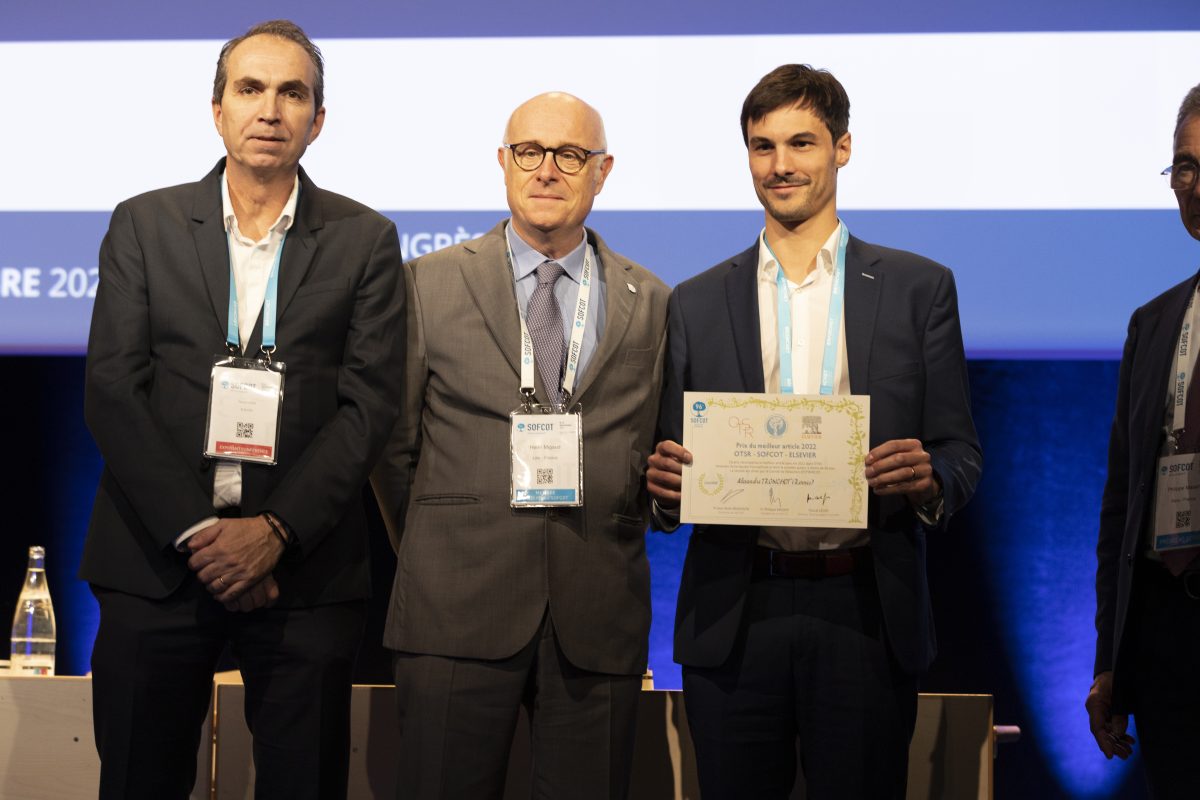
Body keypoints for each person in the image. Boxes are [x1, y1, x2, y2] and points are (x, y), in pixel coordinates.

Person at [80, 20, 405, 799]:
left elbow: (368, 406)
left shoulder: (365, 239)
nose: (270, 109)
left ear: (316, 121)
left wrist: (274, 533)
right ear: (217, 110)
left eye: (292, 93)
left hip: (303, 573)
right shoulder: (143, 224)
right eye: (250, 89)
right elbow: (113, 390)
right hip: (157, 562)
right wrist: (202, 536)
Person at [646, 64, 982, 798]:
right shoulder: (694, 301)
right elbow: (666, 465)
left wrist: (929, 478)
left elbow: (960, 451)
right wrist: (663, 487)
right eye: (762, 146)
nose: (781, 165)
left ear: (843, 148)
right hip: (735, 611)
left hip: (864, 607)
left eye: (802, 143)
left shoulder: (918, 288)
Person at [370, 92, 669, 799]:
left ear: (603, 171)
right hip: (454, 603)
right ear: (503, 162)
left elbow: (653, 446)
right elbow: (391, 448)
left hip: (596, 613)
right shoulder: (427, 282)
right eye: (530, 152)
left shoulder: (651, 300)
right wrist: (441, 540)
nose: (547, 170)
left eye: (570, 155)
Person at [1087, 83, 1200, 798]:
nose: (1197, 185)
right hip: (1168, 640)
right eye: (1185, 166)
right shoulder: (1154, 323)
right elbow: (1121, 509)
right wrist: (1111, 663)